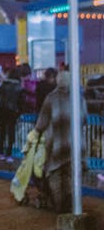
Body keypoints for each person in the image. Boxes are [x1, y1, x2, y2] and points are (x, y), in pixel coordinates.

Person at [35, 69, 86, 213]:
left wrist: (35, 134)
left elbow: (41, 123)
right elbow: (85, 119)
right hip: (76, 145)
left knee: (55, 174)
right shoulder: (79, 98)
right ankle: (70, 204)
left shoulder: (51, 98)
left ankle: (59, 207)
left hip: (57, 145)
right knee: (71, 176)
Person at [0, 67, 24, 162]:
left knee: (2, 132)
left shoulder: (4, 85)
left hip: (2, 110)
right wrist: (19, 112)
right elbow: (21, 101)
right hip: (12, 111)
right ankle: (9, 154)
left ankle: (1, 153)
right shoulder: (19, 87)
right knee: (11, 133)